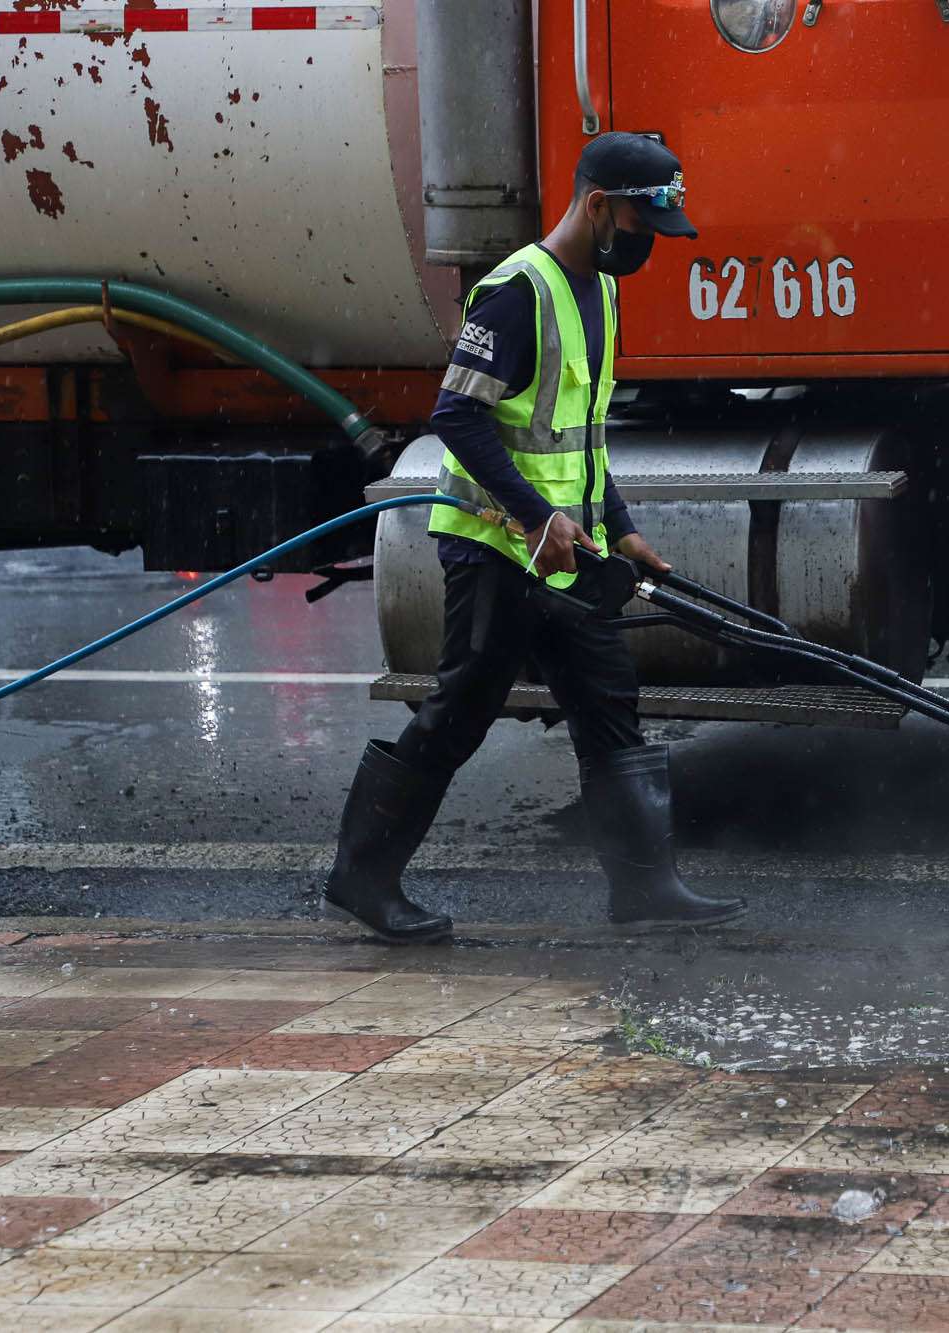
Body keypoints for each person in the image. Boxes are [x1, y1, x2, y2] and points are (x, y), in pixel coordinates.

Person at [323, 132, 746, 944]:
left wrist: (619, 529)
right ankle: (362, 875)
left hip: (568, 554)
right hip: (494, 550)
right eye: (640, 223)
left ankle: (645, 887)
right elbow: (457, 417)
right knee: (458, 713)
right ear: (596, 207)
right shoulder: (518, 292)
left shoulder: (601, 293)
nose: (648, 244)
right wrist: (533, 515)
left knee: (608, 701)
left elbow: (578, 438)